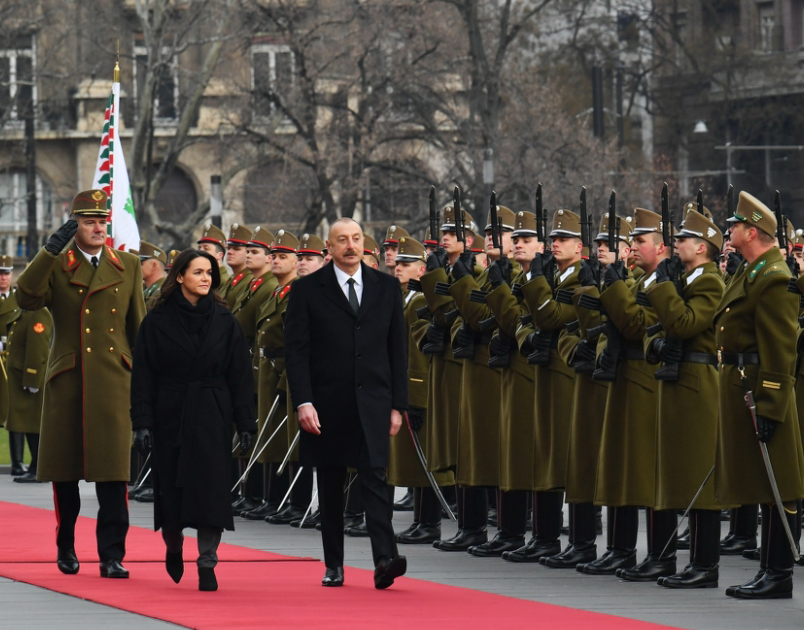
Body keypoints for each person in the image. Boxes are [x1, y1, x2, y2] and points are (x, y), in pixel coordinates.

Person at [16, 189, 146, 579]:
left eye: (102, 221)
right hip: (69, 381)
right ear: (74, 226)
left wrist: (144, 395)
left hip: (113, 382)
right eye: (89, 222)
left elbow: (138, 329)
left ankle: (112, 555)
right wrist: (47, 253)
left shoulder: (127, 264)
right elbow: (26, 298)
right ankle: (66, 545)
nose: (98, 228)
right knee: (65, 474)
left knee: (114, 476)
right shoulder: (57, 264)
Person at [284, 217, 408, 589]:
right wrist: (303, 402)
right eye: (342, 240)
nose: (351, 246)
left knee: (375, 478)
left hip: (374, 400)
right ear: (330, 247)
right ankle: (334, 564)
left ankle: (384, 559)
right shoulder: (307, 290)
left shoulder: (386, 287)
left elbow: (397, 350)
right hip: (327, 402)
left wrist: (398, 405)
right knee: (331, 482)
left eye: (356, 238)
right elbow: (297, 353)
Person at [130, 249, 256, 592]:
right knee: (172, 491)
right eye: (198, 272)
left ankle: (207, 560)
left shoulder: (225, 320)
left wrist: (246, 423)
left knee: (212, 490)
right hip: (171, 413)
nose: (205, 278)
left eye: (209, 273)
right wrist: (141, 422)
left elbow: (240, 376)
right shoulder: (156, 321)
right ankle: (173, 545)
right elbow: (143, 375)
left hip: (213, 413)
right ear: (180, 276)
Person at [717, 192, 804, 599]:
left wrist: (771, 403)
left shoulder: (774, 278)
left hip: (764, 390)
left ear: (752, 232)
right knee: (766, 480)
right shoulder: (752, 271)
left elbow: (780, 347)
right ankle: (769, 569)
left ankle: (779, 573)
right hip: (744, 384)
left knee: (780, 481)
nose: (730, 230)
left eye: (735, 225)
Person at [645, 209, 725, 588]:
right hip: (676, 380)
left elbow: (683, 323)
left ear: (702, 247)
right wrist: (656, 344)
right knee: (674, 472)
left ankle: (705, 564)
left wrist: (663, 288)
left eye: (682, 239)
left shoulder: (710, 282)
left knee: (699, 476)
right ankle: (669, 558)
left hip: (697, 383)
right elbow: (655, 325)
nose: (675, 244)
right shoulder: (685, 279)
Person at [0, 255, 53, 484]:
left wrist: (31, 378)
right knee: (23, 421)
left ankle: (37, 466)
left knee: (32, 423)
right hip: (18, 374)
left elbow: (37, 349)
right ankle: (31, 466)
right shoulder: (26, 310)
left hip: (28, 376)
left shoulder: (38, 311)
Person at [220, 224, 253, 309]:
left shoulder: (249, 282)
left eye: (236, 249)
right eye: (229, 248)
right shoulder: (231, 280)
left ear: (248, 253)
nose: (230, 252)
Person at [197, 222, 231, 286]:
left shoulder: (224, 282)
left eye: (206, 248)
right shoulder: (206, 277)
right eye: (199, 248)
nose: (200, 251)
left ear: (219, 255)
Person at [139, 241, 167, 310]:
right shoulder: (149, 292)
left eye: (141, 264)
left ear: (154, 266)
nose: (137, 267)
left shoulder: (161, 294)